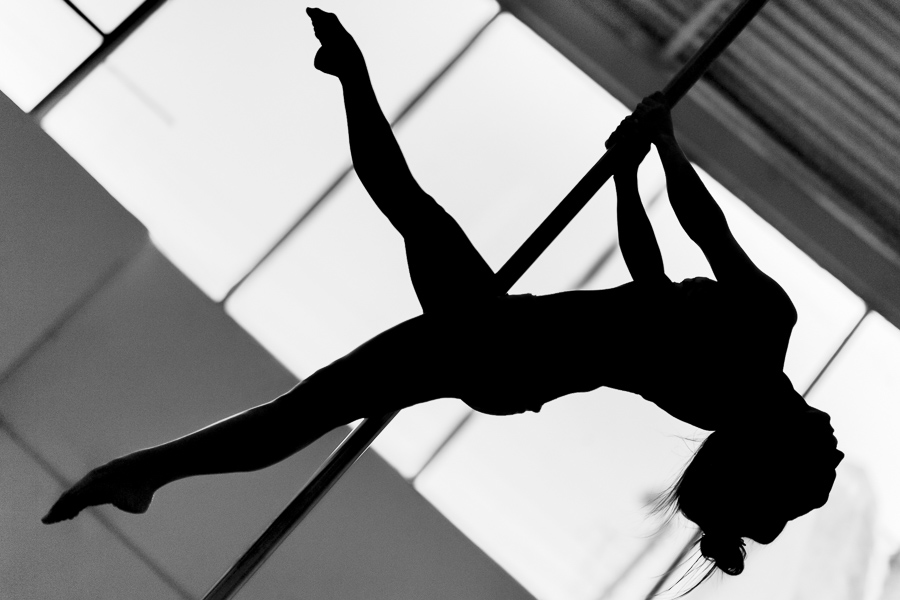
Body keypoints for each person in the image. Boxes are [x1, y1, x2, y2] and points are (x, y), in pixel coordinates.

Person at [43, 7, 843, 582]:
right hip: (505, 351)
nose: (839, 437)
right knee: (371, 289)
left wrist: (658, 151)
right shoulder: (722, 384)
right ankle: (144, 474)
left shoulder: (754, 345)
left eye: (826, 455)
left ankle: (349, 71)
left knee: (390, 247)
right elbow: (653, 285)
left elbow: (691, 243)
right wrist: (636, 167)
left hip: (502, 350)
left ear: (783, 445)